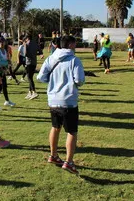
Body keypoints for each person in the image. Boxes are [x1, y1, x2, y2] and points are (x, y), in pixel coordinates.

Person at [37, 35, 85, 175]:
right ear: (70, 45)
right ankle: (69, 162)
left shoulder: (51, 58)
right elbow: (79, 80)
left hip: (53, 99)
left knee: (55, 127)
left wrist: (53, 82)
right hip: (68, 100)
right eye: (74, 44)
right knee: (71, 131)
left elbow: (40, 77)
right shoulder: (74, 60)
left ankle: (53, 155)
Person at [0, 36, 16, 108]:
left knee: (4, 86)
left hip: (3, 71)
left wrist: (8, 62)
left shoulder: (4, 50)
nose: (2, 43)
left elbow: (6, 59)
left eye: (3, 42)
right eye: (0, 42)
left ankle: (7, 101)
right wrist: (4, 63)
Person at [24, 33, 42, 100]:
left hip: (28, 62)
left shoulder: (27, 44)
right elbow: (40, 52)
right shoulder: (35, 44)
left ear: (27, 38)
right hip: (34, 62)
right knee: (30, 77)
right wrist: (35, 54)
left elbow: (25, 54)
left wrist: (25, 47)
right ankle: (30, 92)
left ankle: (34, 92)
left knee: (29, 78)